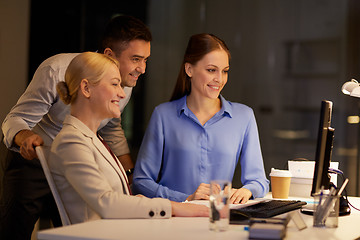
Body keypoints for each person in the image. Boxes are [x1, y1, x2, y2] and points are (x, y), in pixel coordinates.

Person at [0, 15, 150, 239]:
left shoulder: (125, 85)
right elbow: (15, 119)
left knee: (73, 231)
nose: (142, 68)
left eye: (146, 59)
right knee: (15, 231)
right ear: (109, 54)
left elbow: (110, 127)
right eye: (136, 59)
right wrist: (25, 138)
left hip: (75, 162)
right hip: (33, 160)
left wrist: (128, 174)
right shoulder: (56, 69)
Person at [50, 52, 208, 223]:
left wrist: (183, 203)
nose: (122, 94)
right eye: (115, 84)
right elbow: (107, 203)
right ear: (86, 88)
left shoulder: (93, 139)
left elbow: (120, 198)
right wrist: (175, 207)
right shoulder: (70, 141)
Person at [133, 33, 269, 203]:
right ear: (189, 69)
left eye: (225, 71)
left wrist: (247, 190)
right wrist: (186, 199)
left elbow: (259, 181)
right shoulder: (163, 116)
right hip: (173, 221)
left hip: (218, 220)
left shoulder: (244, 117)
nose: (219, 79)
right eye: (211, 70)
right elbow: (141, 182)